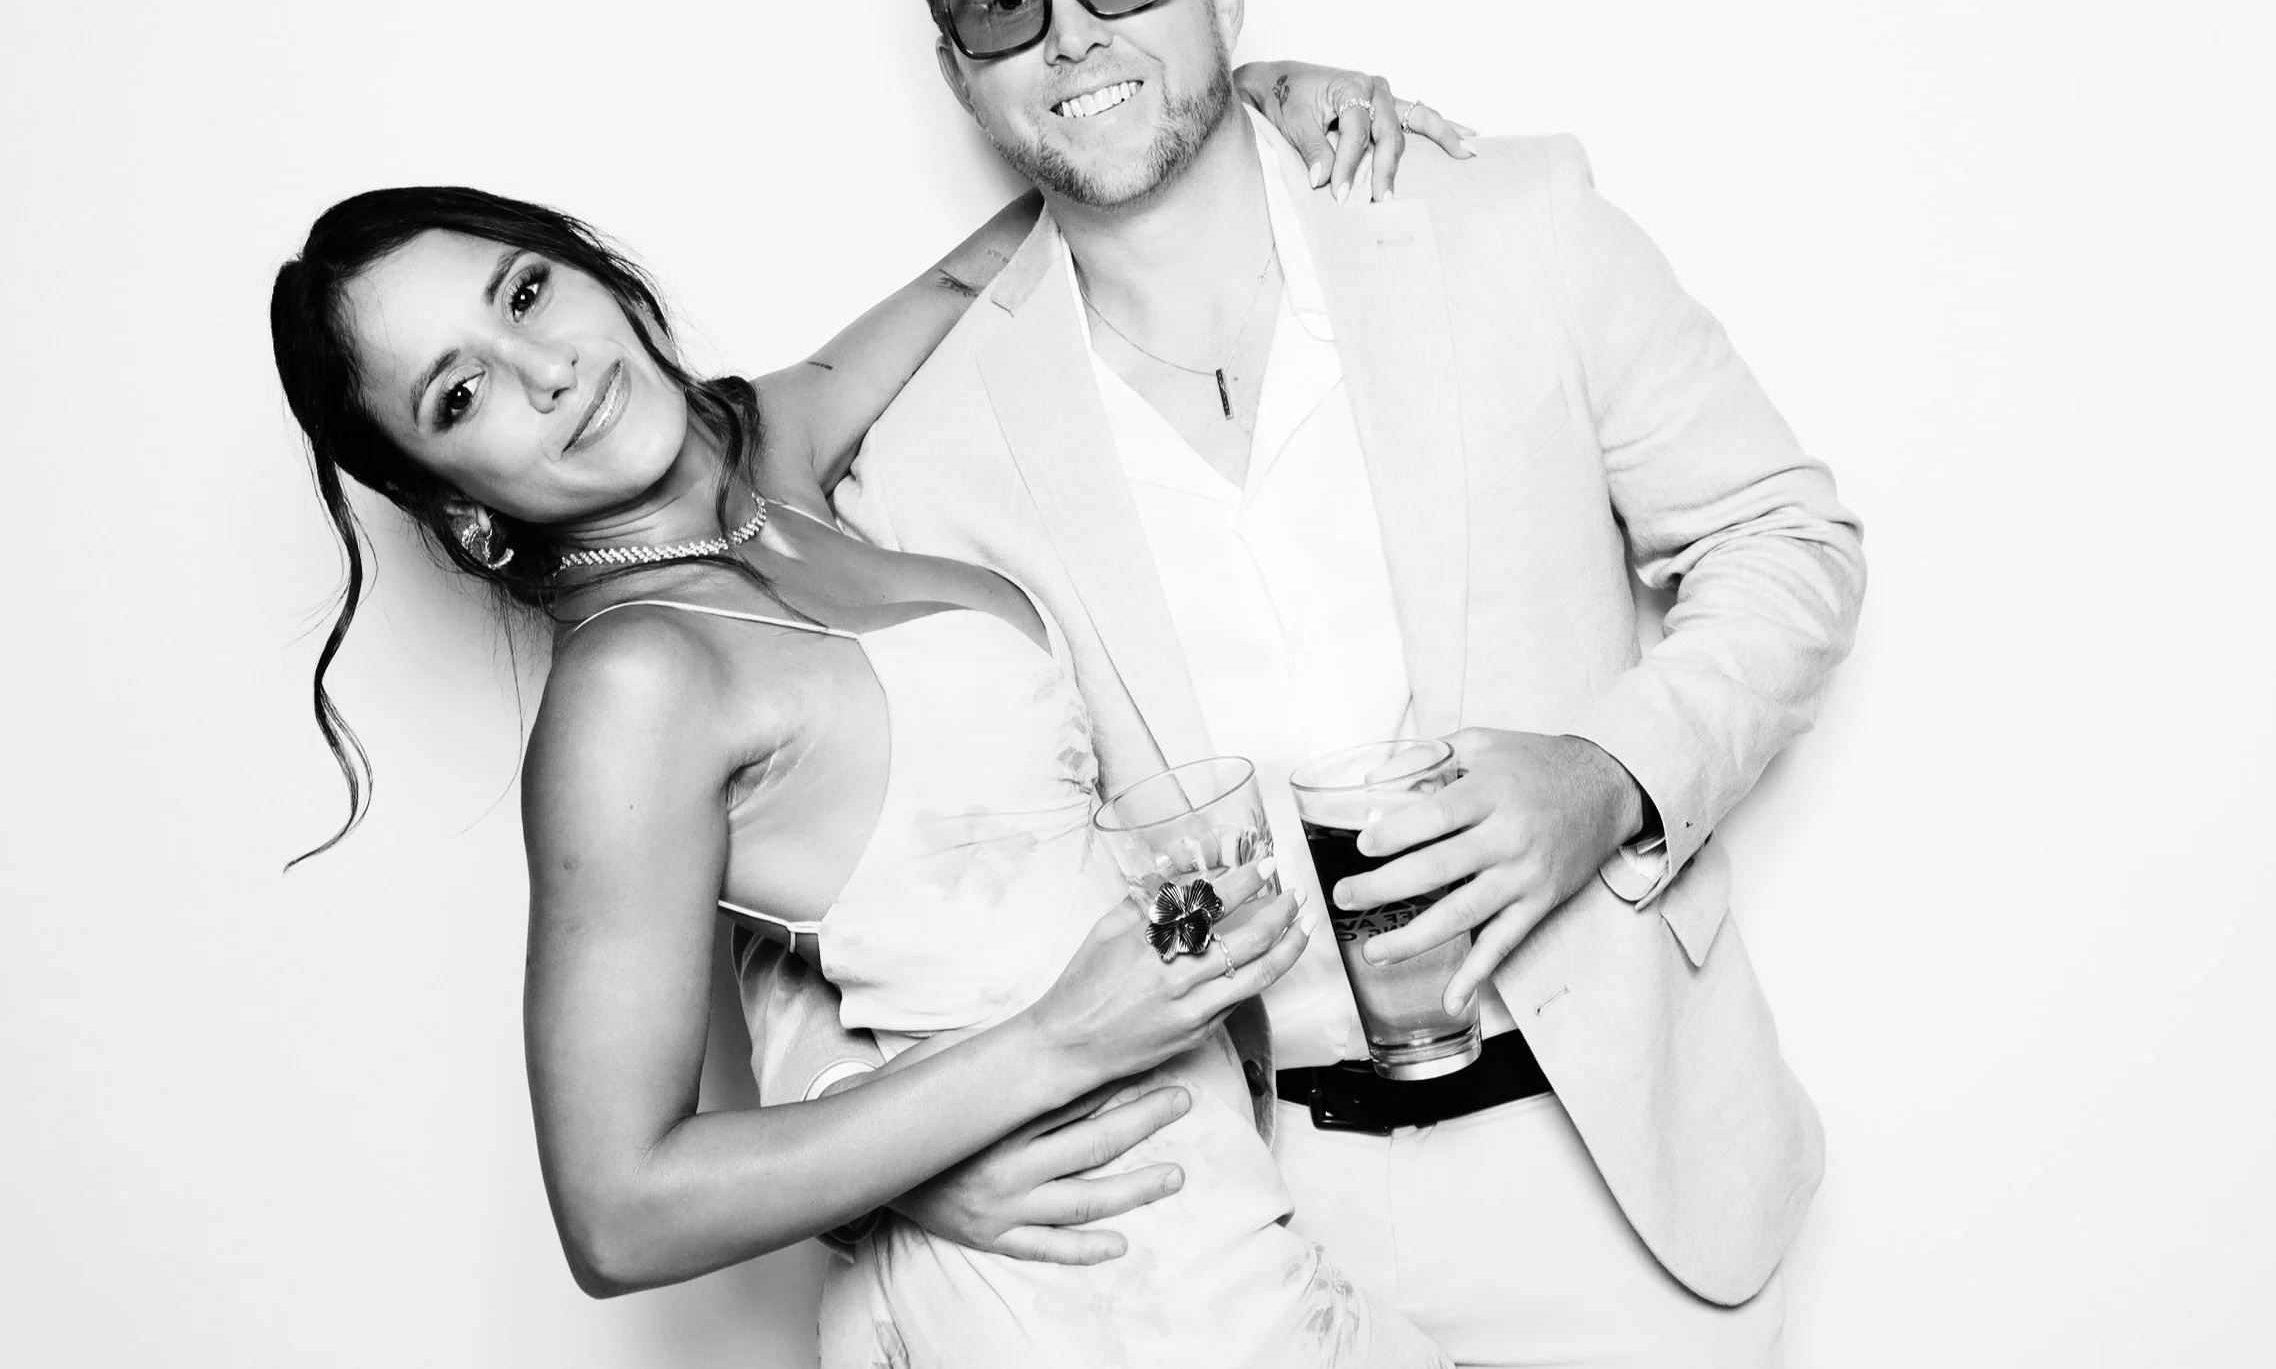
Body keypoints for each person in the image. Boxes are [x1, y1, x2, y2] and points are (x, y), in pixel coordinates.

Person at [747, 0, 1868, 1367]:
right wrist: (891, 1157)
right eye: (1002, 2)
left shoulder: (1511, 221)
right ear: (959, 70)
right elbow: (811, 874)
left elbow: (1784, 536)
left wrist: (1608, 775)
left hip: (1623, 1169)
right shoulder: (919, 465)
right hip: (1225, 1232)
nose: (1070, 34)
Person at [267, 67, 1472, 1367]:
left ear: (593, 272)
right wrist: (1051, 1048)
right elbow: (619, 1212)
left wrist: (1235, 96)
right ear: (461, 512)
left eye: (524, 292)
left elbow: (990, 269)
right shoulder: (636, 684)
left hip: (1219, 1225)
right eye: (460, 395)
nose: (546, 369)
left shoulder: (765, 458)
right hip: (1072, 1302)